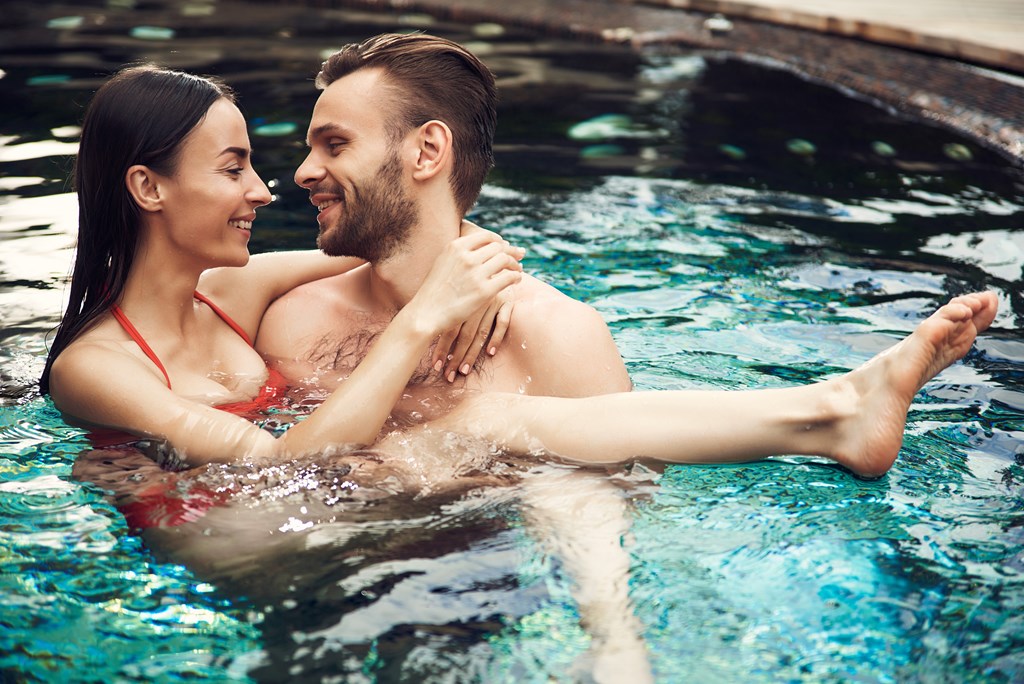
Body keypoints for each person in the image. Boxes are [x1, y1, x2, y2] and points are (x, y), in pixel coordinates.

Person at [253, 32, 997, 478]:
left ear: (427, 151)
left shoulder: (555, 336)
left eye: (334, 144)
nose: (302, 174)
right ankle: (830, 409)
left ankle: (833, 412)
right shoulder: (287, 319)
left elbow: (621, 509)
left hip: (483, 586)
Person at [40, 64, 526, 466]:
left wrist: (479, 251)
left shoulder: (231, 293)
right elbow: (278, 463)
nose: (262, 191)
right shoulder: (93, 368)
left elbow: (398, 234)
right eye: (233, 169)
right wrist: (418, 323)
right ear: (149, 188)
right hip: (206, 551)